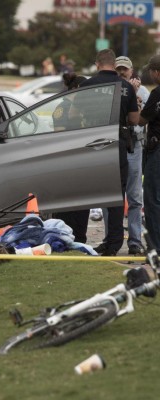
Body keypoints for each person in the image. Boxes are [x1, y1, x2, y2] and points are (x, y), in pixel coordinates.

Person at [74, 49, 139, 256]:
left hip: (90, 143)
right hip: (115, 144)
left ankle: (79, 239)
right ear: (113, 64)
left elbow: (73, 114)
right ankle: (113, 244)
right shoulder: (127, 87)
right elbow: (135, 120)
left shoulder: (86, 85)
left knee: (84, 193)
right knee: (116, 197)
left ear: (97, 64)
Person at [114, 56, 149, 255]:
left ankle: (135, 241)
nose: (121, 74)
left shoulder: (143, 91)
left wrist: (135, 97)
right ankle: (112, 238)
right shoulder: (111, 88)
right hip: (115, 144)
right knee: (112, 196)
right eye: (118, 70)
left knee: (135, 197)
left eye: (124, 70)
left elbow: (141, 120)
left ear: (131, 70)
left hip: (134, 146)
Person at [52, 73, 89, 243]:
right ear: (76, 89)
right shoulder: (63, 107)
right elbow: (60, 136)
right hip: (67, 160)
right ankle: (64, 237)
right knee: (66, 204)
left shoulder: (84, 107)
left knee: (83, 202)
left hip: (82, 160)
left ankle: (80, 237)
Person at [138, 54, 160, 254]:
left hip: (157, 151)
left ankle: (155, 247)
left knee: (152, 198)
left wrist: (135, 102)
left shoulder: (157, 94)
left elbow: (141, 121)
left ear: (157, 72)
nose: (151, 75)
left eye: (152, 71)